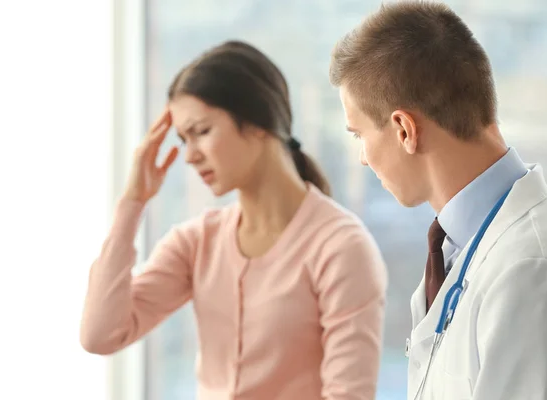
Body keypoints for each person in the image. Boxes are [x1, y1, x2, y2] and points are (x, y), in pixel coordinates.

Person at [80, 40, 388, 400]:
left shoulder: (341, 247)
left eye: (202, 132)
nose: (190, 156)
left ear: (259, 122)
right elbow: (100, 335)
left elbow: (349, 395)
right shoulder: (196, 242)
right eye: (183, 138)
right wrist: (132, 203)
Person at [329, 2, 547, 400]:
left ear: (404, 129)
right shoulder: (461, 248)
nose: (363, 157)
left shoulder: (534, 271)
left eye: (358, 135)